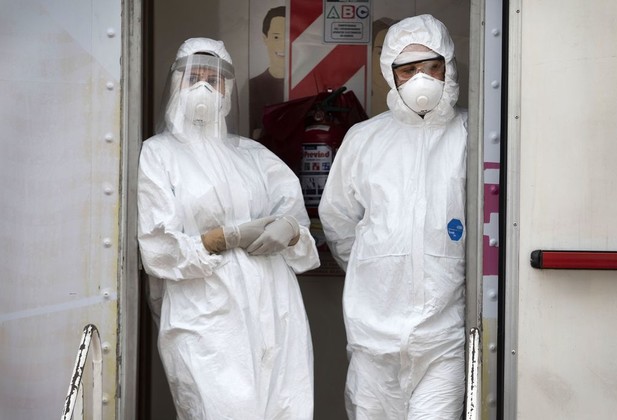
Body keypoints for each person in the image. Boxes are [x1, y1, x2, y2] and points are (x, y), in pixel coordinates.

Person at [137, 37, 320, 420]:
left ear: (228, 88)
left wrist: (289, 228)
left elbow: (298, 226)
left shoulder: (252, 155)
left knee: (286, 409)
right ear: (176, 83)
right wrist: (223, 238)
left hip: (276, 312)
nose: (204, 87)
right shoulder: (159, 153)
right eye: (194, 78)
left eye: (214, 79)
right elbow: (159, 249)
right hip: (206, 317)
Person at [318, 15, 467, 419]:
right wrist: (377, 266)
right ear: (390, 73)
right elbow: (338, 219)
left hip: (443, 339)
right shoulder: (365, 139)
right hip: (373, 337)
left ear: (449, 67)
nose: (421, 79)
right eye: (408, 70)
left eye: (432, 67)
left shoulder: (469, 134)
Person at [249, 6, 286, 139]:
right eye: (276, 37)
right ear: (265, 38)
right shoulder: (253, 87)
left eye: (288, 37)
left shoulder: (306, 85)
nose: (283, 45)